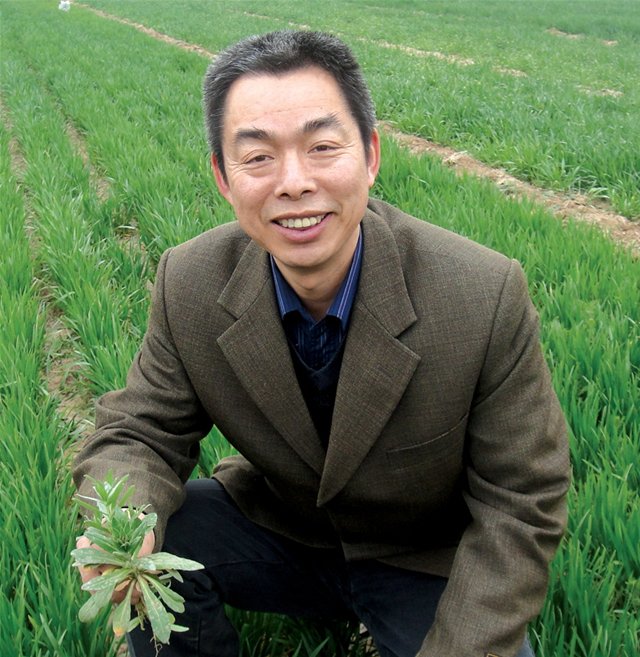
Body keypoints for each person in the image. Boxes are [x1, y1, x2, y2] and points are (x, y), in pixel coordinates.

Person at [73, 30, 570, 657]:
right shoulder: (190, 282)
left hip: (420, 557)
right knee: (159, 544)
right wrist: (121, 534)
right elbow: (139, 432)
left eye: (323, 147)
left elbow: (521, 501)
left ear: (370, 155)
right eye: (258, 157)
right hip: (284, 531)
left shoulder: (480, 294)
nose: (294, 182)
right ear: (223, 177)